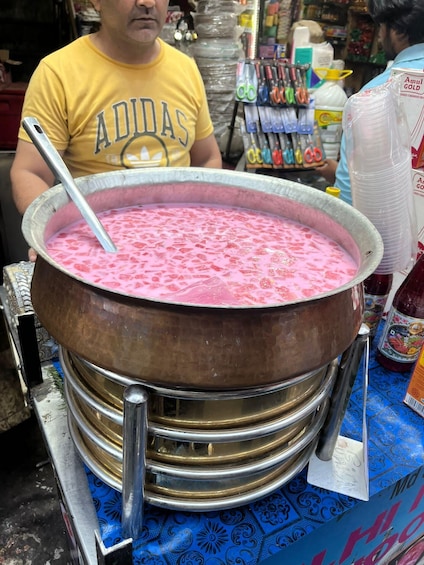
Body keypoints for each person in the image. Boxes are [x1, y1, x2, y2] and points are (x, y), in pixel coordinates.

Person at [10, 0, 222, 219]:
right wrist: (48, 229)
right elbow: (31, 172)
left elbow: (207, 159)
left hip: (178, 236)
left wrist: (201, 222)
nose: (148, 3)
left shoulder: (185, 69)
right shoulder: (58, 73)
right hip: (96, 236)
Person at [317, 0, 424, 204]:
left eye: (382, 28)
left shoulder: (373, 96)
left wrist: (340, 175)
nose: (380, 37)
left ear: (398, 32)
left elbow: (351, 195)